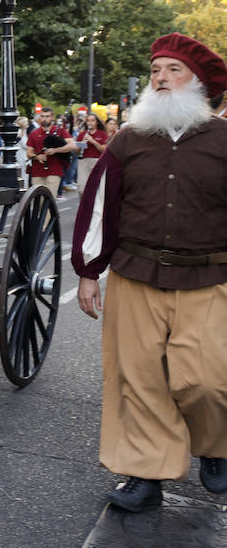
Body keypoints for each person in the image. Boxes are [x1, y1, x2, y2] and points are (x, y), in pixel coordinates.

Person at [73, 32, 227, 512]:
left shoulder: (224, 141)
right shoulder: (128, 140)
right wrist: (88, 270)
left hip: (209, 278)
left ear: (199, 84)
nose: (161, 78)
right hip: (135, 275)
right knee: (138, 379)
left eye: (173, 70)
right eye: (156, 70)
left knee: (207, 379)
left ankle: (215, 444)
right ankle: (146, 473)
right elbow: (100, 206)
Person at [25, 110, 75, 198]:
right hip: (37, 171)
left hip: (54, 170)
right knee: (38, 201)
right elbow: (29, 153)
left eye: (47, 116)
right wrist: (37, 157)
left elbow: (72, 145)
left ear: (52, 117)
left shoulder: (60, 131)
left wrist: (56, 150)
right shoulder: (34, 133)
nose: (44, 119)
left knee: (49, 200)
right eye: (42, 116)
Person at [76, 112, 108, 189]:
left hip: (97, 161)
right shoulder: (82, 134)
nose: (90, 123)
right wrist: (82, 143)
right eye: (88, 121)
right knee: (81, 188)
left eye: (92, 120)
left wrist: (93, 141)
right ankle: (84, 201)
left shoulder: (102, 134)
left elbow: (103, 150)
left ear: (97, 122)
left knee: (96, 187)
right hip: (83, 162)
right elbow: (77, 151)